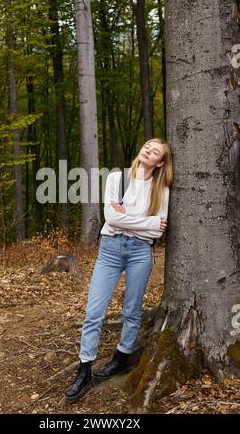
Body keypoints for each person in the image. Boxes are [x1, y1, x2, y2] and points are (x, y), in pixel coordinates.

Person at [64, 138, 173, 403]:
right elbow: (112, 218)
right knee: (94, 312)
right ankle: (84, 369)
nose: (148, 150)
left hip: (140, 253)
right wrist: (145, 221)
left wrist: (129, 219)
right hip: (110, 250)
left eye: (155, 151)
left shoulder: (161, 190)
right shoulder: (118, 178)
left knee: (132, 311)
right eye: (147, 146)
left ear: (160, 162)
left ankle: (121, 358)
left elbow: (160, 228)